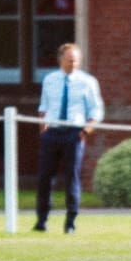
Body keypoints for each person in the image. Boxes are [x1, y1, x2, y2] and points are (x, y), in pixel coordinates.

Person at [33, 42, 105, 235]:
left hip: (74, 132)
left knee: (72, 177)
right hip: (53, 132)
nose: (72, 63)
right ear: (60, 60)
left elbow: (96, 110)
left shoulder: (88, 82)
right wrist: (44, 128)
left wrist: (86, 131)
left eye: (76, 60)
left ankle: (70, 221)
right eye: (69, 60)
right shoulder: (50, 80)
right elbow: (44, 107)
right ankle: (42, 220)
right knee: (45, 177)